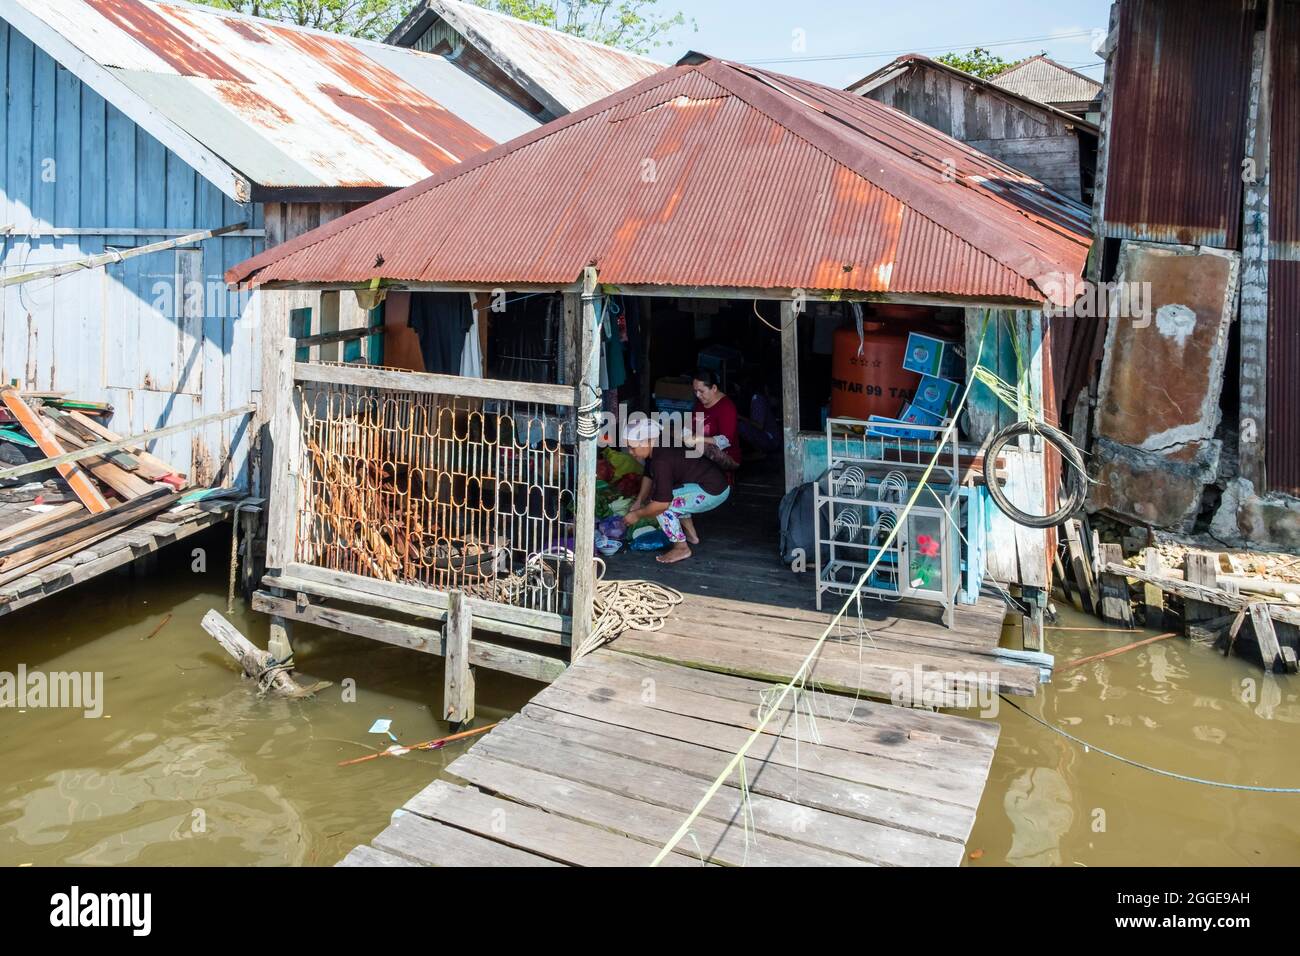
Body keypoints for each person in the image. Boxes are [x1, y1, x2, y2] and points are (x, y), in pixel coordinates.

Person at [622, 418, 730, 564]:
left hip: (712, 490)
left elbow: (661, 504)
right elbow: (648, 473)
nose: (630, 452)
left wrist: (637, 514)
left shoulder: (661, 461)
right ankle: (692, 536)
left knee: (661, 505)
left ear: (647, 441)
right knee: (670, 497)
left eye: (632, 447)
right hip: (712, 483)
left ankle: (681, 548)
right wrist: (639, 501)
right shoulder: (658, 445)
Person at [689, 367, 742, 475]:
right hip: (702, 451)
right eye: (695, 391)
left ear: (714, 388)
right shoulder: (700, 405)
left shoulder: (726, 407)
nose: (697, 395)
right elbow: (692, 427)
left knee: (699, 445)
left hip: (728, 456)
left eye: (701, 391)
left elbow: (725, 441)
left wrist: (698, 439)